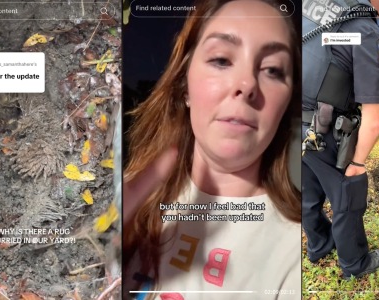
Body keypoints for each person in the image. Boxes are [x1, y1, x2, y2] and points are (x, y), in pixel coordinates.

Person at [123, 0, 301, 299]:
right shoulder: (125, 200)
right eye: (221, 60)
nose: (246, 84)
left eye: (272, 69)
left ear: (286, 105)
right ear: (184, 86)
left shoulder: (297, 252)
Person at [302, 0, 379, 279]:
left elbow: (329, 45)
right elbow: (374, 119)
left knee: (307, 192)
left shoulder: (313, 10)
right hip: (327, 131)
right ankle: (355, 263)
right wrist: (357, 162)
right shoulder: (364, 29)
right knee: (349, 193)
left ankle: (319, 246)